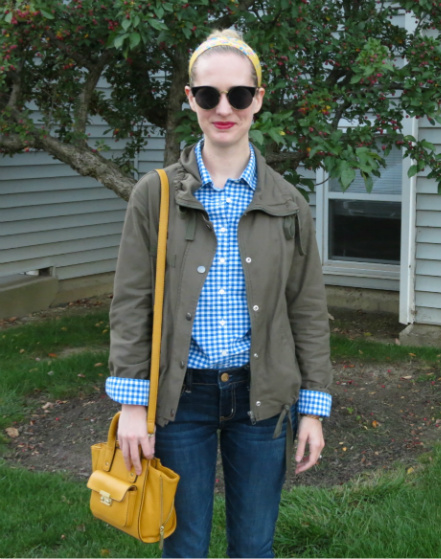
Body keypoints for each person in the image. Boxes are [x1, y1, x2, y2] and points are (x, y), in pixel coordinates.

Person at [105, 28, 333, 558]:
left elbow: (308, 308)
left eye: (239, 94)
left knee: (253, 546)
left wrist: (313, 409)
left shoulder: (288, 203)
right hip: (181, 398)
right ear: (191, 98)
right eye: (208, 95)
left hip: (262, 397)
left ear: (258, 97)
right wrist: (133, 405)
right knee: (184, 546)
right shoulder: (155, 194)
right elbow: (132, 301)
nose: (223, 108)